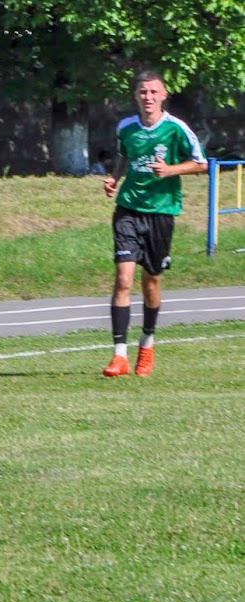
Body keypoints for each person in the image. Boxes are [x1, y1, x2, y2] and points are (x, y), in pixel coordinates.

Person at [101, 70, 206, 377]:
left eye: (153, 92)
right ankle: (119, 355)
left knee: (151, 282)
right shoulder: (126, 127)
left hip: (161, 212)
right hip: (128, 209)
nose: (148, 97)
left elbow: (200, 163)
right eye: (142, 92)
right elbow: (123, 157)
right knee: (123, 279)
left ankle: (147, 343)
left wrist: (171, 170)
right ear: (136, 96)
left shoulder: (176, 129)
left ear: (164, 95)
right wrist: (113, 178)